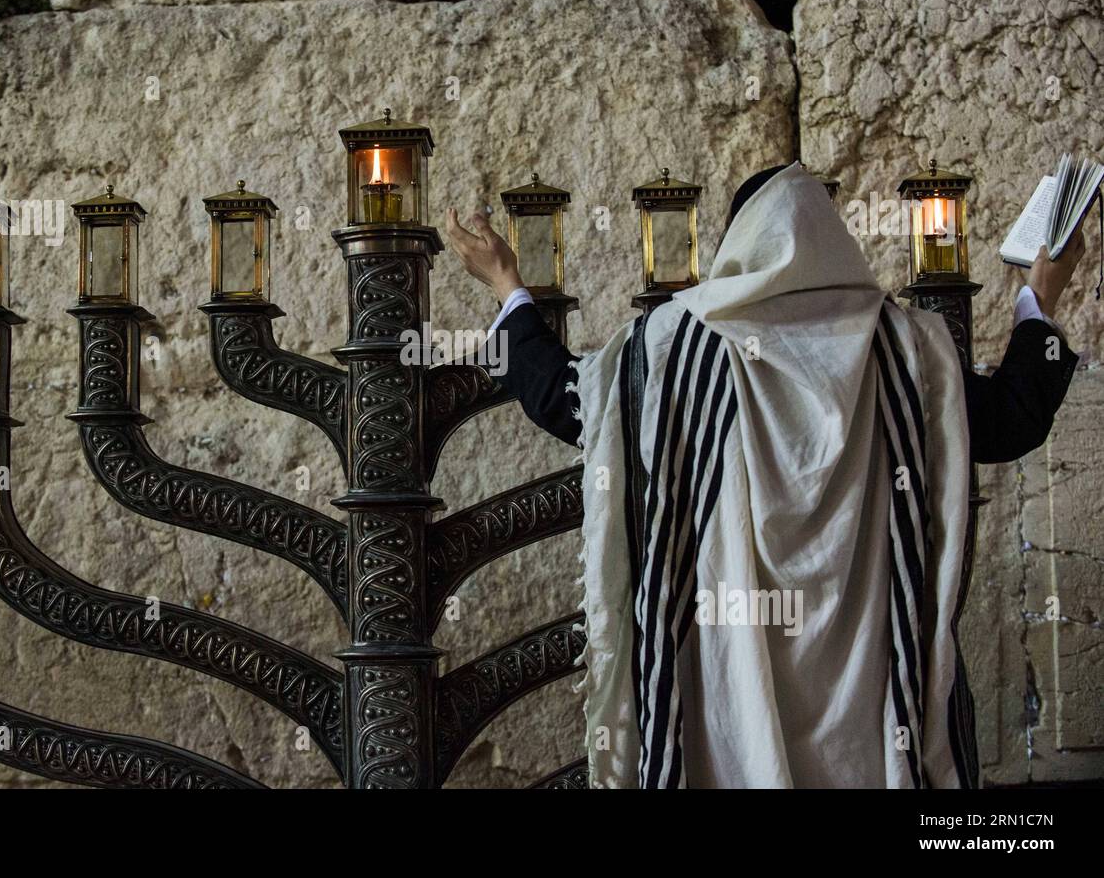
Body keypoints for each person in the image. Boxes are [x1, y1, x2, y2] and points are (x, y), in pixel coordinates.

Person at [444, 163, 1083, 788]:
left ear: (739, 244)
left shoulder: (678, 345)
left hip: (726, 696)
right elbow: (1008, 421)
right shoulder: (908, 348)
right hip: (871, 716)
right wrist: (1040, 293)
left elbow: (567, 399)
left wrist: (509, 287)